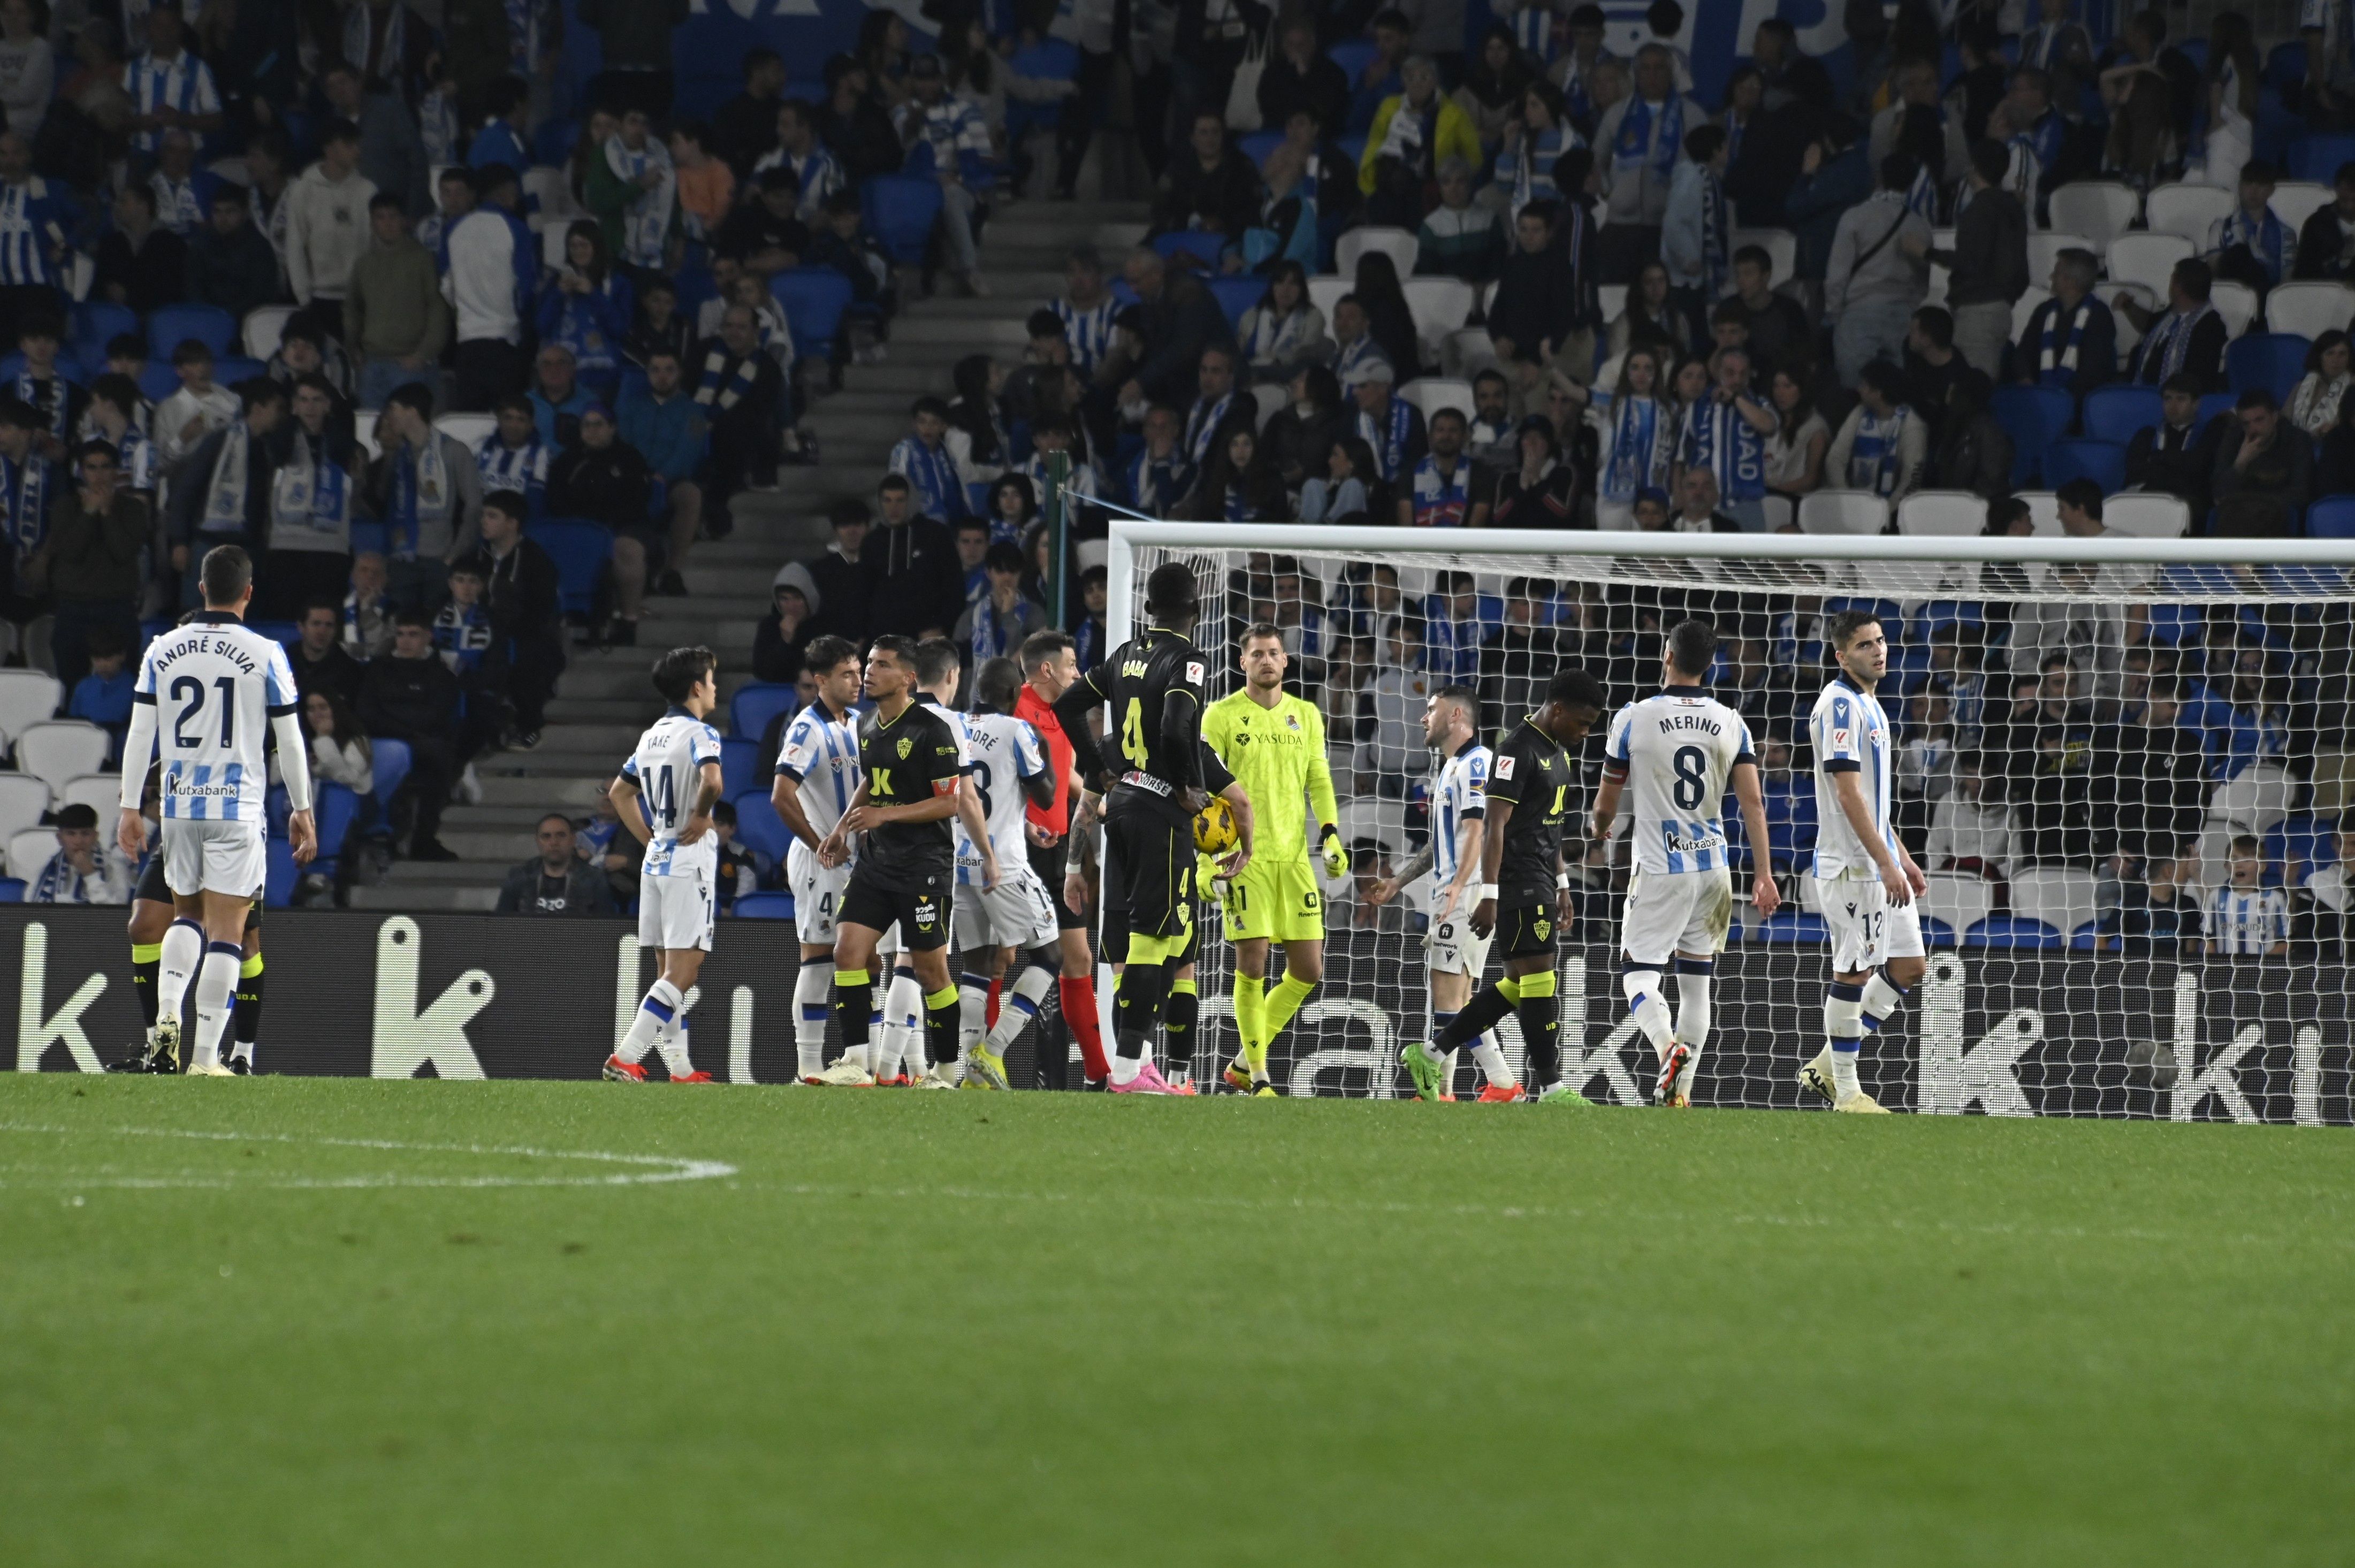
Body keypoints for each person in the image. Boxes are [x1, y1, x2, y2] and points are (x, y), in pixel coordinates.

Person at [1050, 563, 1257, 1095]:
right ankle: (1129, 1071)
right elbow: (1173, 725)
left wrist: (1097, 766)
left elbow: (1069, 703)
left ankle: (1141, 1069)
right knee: (1152, 944)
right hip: (1160, 809)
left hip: (1119, 803)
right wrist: (1189, 785)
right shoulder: (1187, 659)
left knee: (1140, 946)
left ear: (1149, 609)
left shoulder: (1124, 655)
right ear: (1197, 610)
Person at [113, 545, 314, 1075]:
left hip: (179, 806)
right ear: (248, 593)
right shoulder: (267, 652)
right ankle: (206, 1057)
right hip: (237, 808)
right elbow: (289, 742)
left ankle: (165, 1025)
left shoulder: (162, 648)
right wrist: (303, 808)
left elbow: (140, 734)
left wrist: (130, 806)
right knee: (227, 931)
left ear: (200, 588)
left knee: (185, 916)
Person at [1588, 620, 1779, 1107]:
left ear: (1667, 656)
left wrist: (1598, 828)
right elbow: (1753, 803)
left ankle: (1665, 1047)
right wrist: (1762, 874)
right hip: (1714, 871)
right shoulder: (1731, 720)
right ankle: (1682, 1091)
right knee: (1697, 988)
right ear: (1710, 664)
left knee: (1638, 974)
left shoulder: (1633, 718)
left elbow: (1607, 801)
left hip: (1659, 866)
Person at [1420, 667, 1609, 1102]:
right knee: (1539, 981)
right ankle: (1552, 1089)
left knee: (1516, 986)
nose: (1584, 732)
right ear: (1557, 709)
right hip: (1517, 880)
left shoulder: (1559, 754)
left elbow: (1550, 826)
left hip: (1542, 878)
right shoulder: (1514, 751)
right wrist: (1489, 893)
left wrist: (1563, 883)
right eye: (1580, 722)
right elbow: (1493, 825)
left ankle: (1431, 1052)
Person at [809, 636, 970, 1087]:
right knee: (847, 951)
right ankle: (856, 1062)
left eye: (881, 665)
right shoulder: (866, 724)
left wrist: (887, 814)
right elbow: (872, 779)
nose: (869, 672)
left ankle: (947, 1070)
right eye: (869, 663)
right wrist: (843, 826)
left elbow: (949, 802)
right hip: (876, 862)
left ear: (908, 678)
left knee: (930, 969)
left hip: (924, 865)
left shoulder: (931, 730)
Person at [1199, 623, 1346, 1097]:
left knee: (1307, 970)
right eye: (1257, 653)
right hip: (1245, 859)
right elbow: (1202, 794)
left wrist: (1330, 834)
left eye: (1274, 653)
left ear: (1285, 662)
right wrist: (1206, 862)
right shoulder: (1219, 716)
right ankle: (1260, 1077)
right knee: (1253, 963)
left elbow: (1318, 780)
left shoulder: (1305, 714)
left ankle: (1241, 1065)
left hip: (1294, 857)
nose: (1266, 660)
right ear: (1242, 662)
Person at [1797, 611, 1927, 1115]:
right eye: (1864, 645)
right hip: (1851, 866)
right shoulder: (1838, 706)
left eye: (1881, 641)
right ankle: (1847, 1094)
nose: (1878, 651)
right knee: (1852, 972)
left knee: (1909, 966)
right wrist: (1883, 862)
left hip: (1879, 862)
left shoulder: (1870, 703)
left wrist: (1903, 858)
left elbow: (1874, 800)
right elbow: (1847, 793)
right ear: (1840, 655)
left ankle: (1826, 1067)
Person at [600, 645, 723, 1085]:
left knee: (667, 972)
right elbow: (713, 780)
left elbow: (619, 793)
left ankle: (679, 1067)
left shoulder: (652, 735)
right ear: (696, 687)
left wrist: (649, 838)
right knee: (684, 970)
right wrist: (703, 814)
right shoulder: (700, 734)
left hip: (655, 862)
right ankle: (627, 1055)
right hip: (688, 861)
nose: (714, 688)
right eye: (711, 680)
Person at [944, 655, 1062, 1091]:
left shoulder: (955, 726)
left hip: (960, 863)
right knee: (1051, 955)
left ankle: (972, 1072)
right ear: (1014, 694)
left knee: (976, 965)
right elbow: (1046, 794)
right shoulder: (1018, 730)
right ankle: (992, 1051)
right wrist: (1043, 746)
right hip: (1004, 866)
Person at [1015, 629, 1110, 1088]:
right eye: (1072, 665)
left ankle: (1097, 1072)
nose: (1078, 673)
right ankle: (979, 1066)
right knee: (1000, 959)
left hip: (1059, 856)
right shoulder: (1015, 712)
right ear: (1048, 669)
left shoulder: (1062, 714)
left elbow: (1066, 772)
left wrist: (1105, 806)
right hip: (1019, 852)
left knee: (1079, 957)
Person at [767, 634, 862, 1084]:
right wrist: (817, 842)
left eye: (859, 670)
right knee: (819, 957)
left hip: (858, 861)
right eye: (846, 674)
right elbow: (781, 796)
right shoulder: (807, 728)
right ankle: (807, 1068)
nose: (857, 680)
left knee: (866, 960)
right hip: (821, 862)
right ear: (821, 680)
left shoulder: (857, 722)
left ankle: (864, 1062)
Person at [1591, 44, 1708, 281]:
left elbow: (1707, 168)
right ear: (1636, 74)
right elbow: (1595, 160)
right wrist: (1608, 190)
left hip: (1670, 227)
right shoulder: (1617, 113)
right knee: (1616, 295)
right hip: (1620, 225)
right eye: (1646, 69)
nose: (1653, 75)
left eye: (1659, 69)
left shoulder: (1692, 114)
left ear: (1671, 73)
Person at [37, 439, 143, 694]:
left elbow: (124, 552)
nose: (99, 475)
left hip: (117, 606)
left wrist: (106, 514)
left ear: (116, 471)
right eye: (92, 467)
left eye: (106, 467)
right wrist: (87, 513)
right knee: (70, 684)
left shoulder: (132, 508)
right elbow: (70, 552)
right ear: (82, 471)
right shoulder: (65, 507)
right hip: (74, 608)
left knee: (126, 685)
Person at [358, 608, 462, 861]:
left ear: (429, 637)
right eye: (401, 634)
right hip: (383, 742)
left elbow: (436, 715)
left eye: (413, 634)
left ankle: (423, 839)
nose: (405, 641)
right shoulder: (376, 670)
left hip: (426, 743)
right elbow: (367, 713)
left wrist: (399, 725)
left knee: (440, 757)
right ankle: (386, 836)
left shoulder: (442, 675)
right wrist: (405, 731)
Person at [547, 402, 656, 641]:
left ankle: (628, 622)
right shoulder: (568, 461)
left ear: (612, 428)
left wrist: (605, 525)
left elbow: (637, 500)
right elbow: (556, 500)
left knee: (626, 548)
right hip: (580, 529)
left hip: (624, 526)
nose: (592, 431)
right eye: (587, 425)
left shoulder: (629, 458)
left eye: (599, 425)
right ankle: (576, 613)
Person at [1825, 154, 1932, 388]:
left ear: (1879, 177)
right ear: (1912, 183)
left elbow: (1837, 276)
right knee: (1897, 392)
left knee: (1855, 389)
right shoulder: (1920, 225)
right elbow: (1922, 282)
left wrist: (1834, 313)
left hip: (1859, 314)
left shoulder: (1855, 217)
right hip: (1903, 316)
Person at [445, 163, 538, 411]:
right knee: (506, 423)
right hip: (504, 343)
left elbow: (446, 286)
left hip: (467, 343)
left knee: (471, 424)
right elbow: (526, 288)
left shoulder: (455, 229)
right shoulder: (515, 228)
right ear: (507, 191)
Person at [284, 120, 377, 340]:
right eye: (350, 145)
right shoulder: (302, 190)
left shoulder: (368, 191)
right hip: (320, 297)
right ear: (330, 149)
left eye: (357, 144)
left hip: (360, 298)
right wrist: (304, 298)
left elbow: (375, 246)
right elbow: (295, 246)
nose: (357, 151)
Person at [2211, 389, 2312, 537]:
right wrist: (2240, 463)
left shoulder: (2297, 440)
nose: (2253, 429)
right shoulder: (2234, 439)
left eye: (2259, 420)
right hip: (2238, 514)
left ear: (2275, 417)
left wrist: (2258, 503)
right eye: (2246, 424)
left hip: (2277, 513)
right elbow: (2218, 493)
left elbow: (2302, 492)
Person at [2014, 248, 2116, 395]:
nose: (2051, 277)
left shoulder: (2099, 317)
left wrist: (2060, 397)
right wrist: (2025, 378)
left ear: (2070, 282)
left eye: (2056, 273)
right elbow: (2024, 351)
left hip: (2080, 401)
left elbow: (2094, 371)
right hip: (2037, 394)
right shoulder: (2044, 310)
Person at [2119, 258, 2228, 391]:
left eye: (2173, 278)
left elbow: (2198, 379)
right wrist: (2128, 305)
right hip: (2144, 392)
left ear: (2178, 288)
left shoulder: (2210, 328)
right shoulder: (2172, 313)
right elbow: (2150, 324)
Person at [1826, 361, 1927, 503]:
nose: (1859, 389)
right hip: (1854, 502)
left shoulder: (1912, 426)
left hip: (1893, 512)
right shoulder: (1859, 413)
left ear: (1878, 393)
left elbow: (1911, 480)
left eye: (1864, 385)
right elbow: (1835, 458)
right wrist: (1845, 497)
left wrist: (1884, 514)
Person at [2125, 373, 2221, 519]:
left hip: (2188, 503)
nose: (2173, 406)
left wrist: (2158, 458)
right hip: (2149, 498)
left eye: (2181, 399)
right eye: (2168, 399)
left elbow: (2199, 470)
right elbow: (2134, 470)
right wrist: (2179, 465)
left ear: (2196, 404)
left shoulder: (2209, 434)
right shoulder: (2148, 435)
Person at [183, 183, 280, 326]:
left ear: (245, 213)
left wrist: (228, 316)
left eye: (230, 212)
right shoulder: (201, 244)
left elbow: (260, 295)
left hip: (247, 323)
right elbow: (192, 287)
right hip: (206, 319)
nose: (222, 219)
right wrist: (208, 314)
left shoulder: (259, 248)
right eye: (217, 212)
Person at [93, 181, 186, 316]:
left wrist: (130, 296)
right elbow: (99, 284)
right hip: (116, 318)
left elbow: (171, 290)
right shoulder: (111, 244)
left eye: (124, 202)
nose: (118, 207)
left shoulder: (171, 244)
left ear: (143, 206)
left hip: (157, 319)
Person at [497, 813, 618, 915]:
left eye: (561, 835)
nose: (554, 842)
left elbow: (606, 926)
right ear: (538, 841)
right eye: (546, 837)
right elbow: (501, 922)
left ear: (573, 840)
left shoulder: (594, 879)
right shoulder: (520, 876)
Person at [28, 802, 133, 905]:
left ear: (95, 836)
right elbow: (31, 910)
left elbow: (115, 916)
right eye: (71, 834)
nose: (78, 841)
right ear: (60, 838)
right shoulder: (44, 871)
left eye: (85, 834)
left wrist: (90, 874)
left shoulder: (116, 868)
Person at [2206, 835, 2287, 957]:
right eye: (2234, 859)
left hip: (2263, 972)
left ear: (2262, 867)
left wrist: (2264, 967)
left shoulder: (2275, 898)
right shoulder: (2216, 897)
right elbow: (2208, 939)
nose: (2239, 865)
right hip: (2225, 971)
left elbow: (2285, 942)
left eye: (2247, 860)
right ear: (2226, 866)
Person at [2288, 331, 2352, 439]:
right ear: (2320, 357)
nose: (2336, 360)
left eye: (2342, 354)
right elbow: (2284, 420)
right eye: (2330, 353)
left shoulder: (2352, 388)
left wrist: (2336, 429)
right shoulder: (2302, 386)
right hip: (2298, 446)